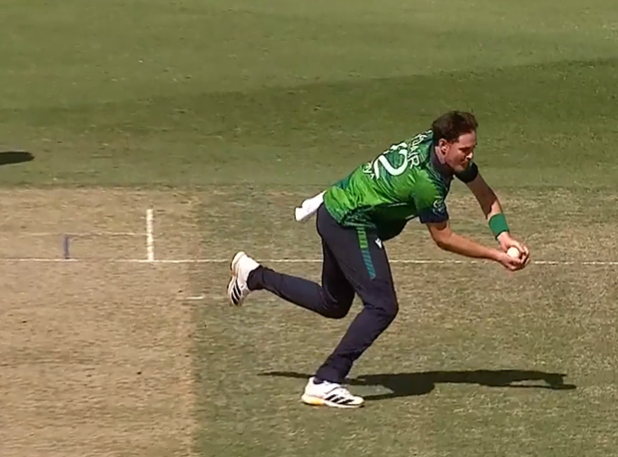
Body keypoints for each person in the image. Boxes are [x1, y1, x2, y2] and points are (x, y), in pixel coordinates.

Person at [226, 110, 530, 408]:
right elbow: (443, 238)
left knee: (333, 303)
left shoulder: (437, 145)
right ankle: (325, 381)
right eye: (464, 150)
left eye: (472, 149)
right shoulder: (426, 183)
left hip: (336, 206)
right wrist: (496, 256)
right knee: (382, 305)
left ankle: (253, 276)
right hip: (350, 222)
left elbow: (484, 194)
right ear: (443, 145)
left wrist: (503, 236)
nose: (470, 156)